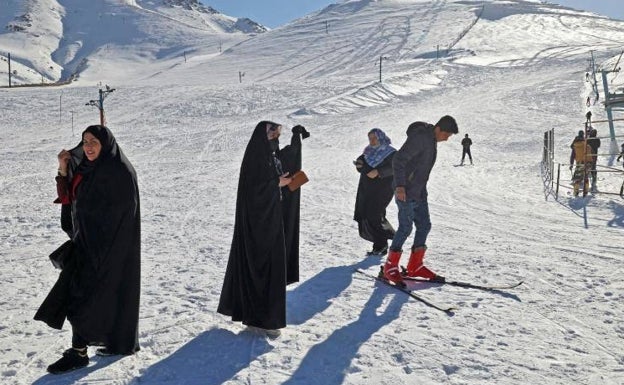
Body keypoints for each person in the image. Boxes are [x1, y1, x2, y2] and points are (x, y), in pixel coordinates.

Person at [35, 125, 141, 374]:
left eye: (94, 141)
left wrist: (101, 245)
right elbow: (69, 198)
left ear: (106, 144)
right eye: (84, 142)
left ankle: (79, 352)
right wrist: (63, 169)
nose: (89, 147)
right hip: (86, 245)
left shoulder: (119, 172)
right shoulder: (86, 168)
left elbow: (121, 215)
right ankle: (113, 343)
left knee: (81, 296)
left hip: (109, 250)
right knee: (88, 295)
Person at [218, 121, 309, 338]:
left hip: (271, 219)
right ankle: (258, 319)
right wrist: (275, 184)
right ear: (261, 134)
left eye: (277, 132)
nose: (276, 135)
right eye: (272, 131)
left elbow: (286, 158)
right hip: (257, 225)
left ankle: (264, 319)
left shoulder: (271, 154)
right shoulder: (255, 157)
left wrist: (296, 138)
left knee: (272, 269)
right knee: (262, 267)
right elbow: (253, 189)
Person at [383, 115, 458, 285]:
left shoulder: (431, 140)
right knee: (405, 227)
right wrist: (400, 186)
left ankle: (415, 265)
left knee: (424, 225)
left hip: (419, 192)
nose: (446, 140)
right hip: (405, 191)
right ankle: (390, 267)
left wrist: (421, 190)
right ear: (438, 129)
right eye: (446, 135)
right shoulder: (421, 138)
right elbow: (398, 160)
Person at [353, 128, 396, 256]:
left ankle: (383, 243)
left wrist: (379, 172)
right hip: (367, 188)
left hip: (383, 189)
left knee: (375, 214)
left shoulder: (391, 153)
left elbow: (395, 167)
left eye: (374, 138)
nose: (371, 141)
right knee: (366, 213)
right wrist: (359, 165)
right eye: (370, 138)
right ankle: (379, 245)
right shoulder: (368, 151)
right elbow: (362, 164)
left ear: (381, 137)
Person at [569, 130, 590, 196]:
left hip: (579, 163)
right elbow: (589, 152)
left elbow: (572, 156)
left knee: (577, 177)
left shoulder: (575, 145)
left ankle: (576, 192)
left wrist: (571, 164)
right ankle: (586, 191)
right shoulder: (586, 144)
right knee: (586, 177)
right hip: (587, 162)